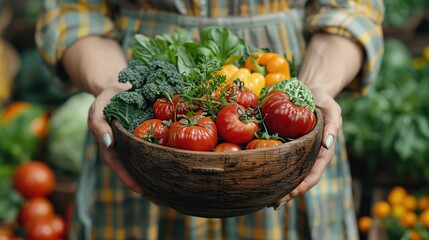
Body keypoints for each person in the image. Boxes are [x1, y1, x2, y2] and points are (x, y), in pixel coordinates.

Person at [35, 1, 384, 239]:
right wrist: (116, 86)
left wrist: (314, 88)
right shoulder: (156, 104)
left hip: (287, 86)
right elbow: (74, 10)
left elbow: (350, 7)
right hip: (141, 97)